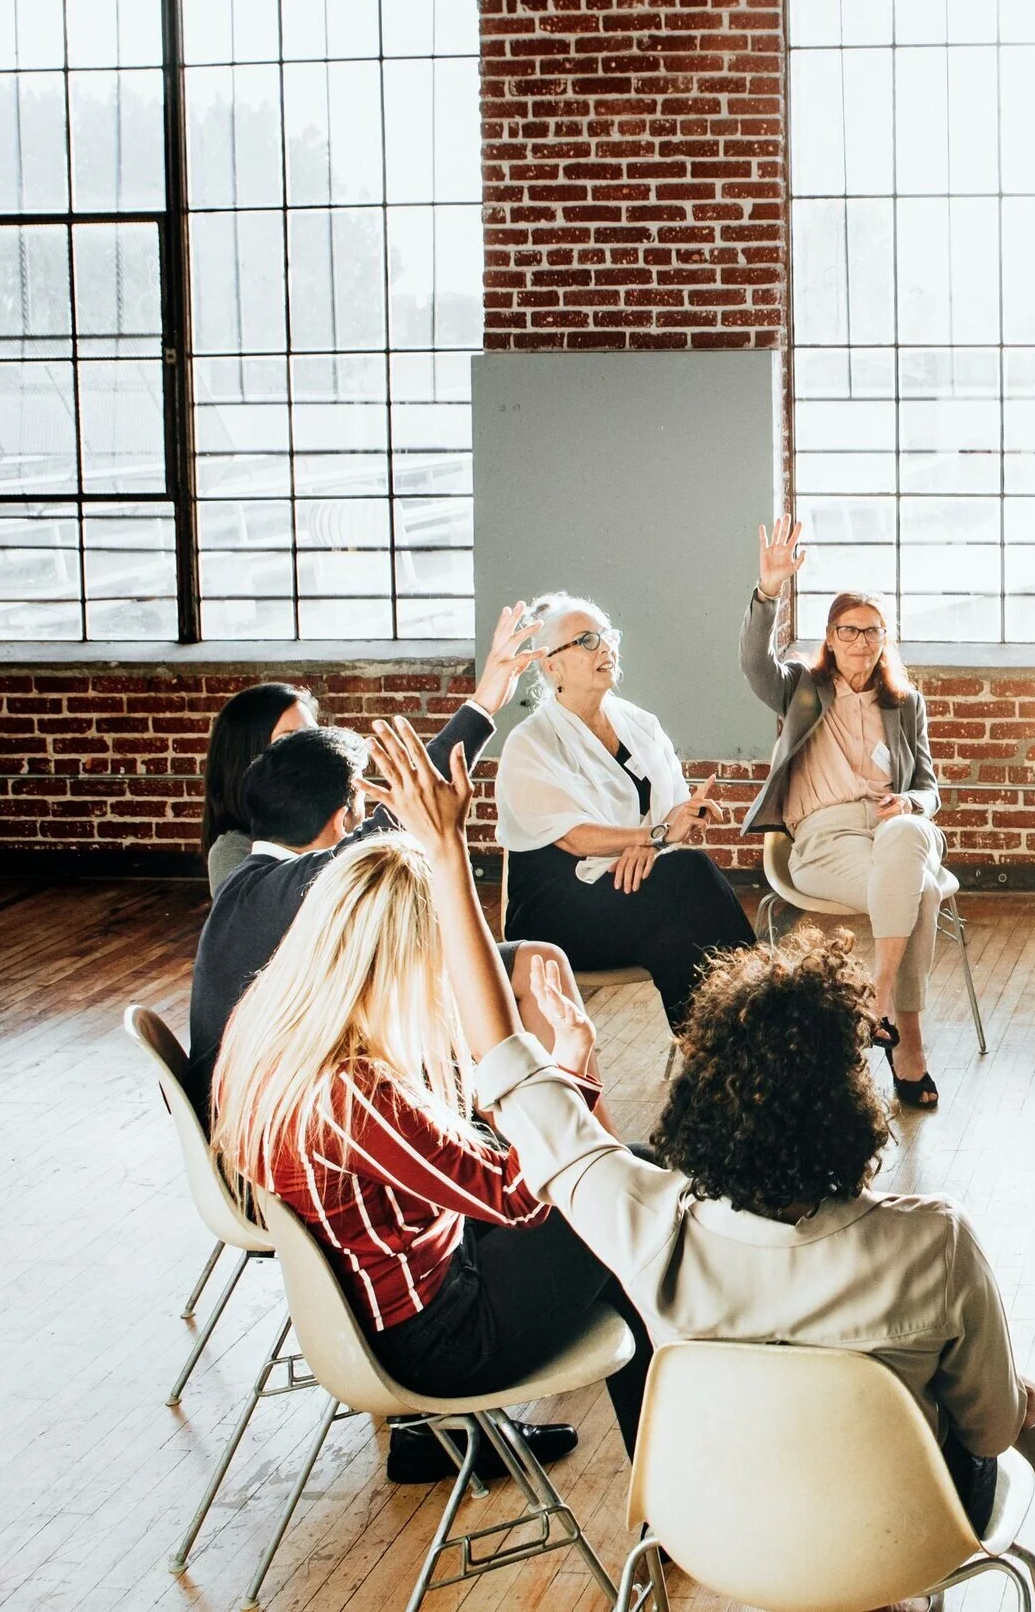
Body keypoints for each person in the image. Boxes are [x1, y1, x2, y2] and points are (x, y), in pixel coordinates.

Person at [362, 716, 1035, 1537]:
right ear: (853, 1107)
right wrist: (1017, 1408)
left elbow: (504, 1063)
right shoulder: (935, 1241)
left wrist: (449, 856)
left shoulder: (644, 1223)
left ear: (703, 1092)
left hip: (719, 1524)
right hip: (897, 1532)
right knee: (990, 1416)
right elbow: (982, 1434)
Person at [208, 731, 654, 1489]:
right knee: (622, 1197)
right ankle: (674, 1482)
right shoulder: (351, 1090)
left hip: (386, 1295)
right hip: (436, 1335)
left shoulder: (273, 1025)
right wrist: (571, 1065)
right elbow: (517, 1195)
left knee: (612, 1207)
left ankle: (668, 1472)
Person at [188, 605, 557, 1123]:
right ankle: (532, 1153)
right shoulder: (248, 867)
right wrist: (440, 827)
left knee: (532, 965)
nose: (308, 748)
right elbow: (380, 831)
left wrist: (486, 700)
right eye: (291, 742)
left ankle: (562, 1144)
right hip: (282, 1114)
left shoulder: (285, 867)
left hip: (322, 1050)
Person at [739, 520, 953, 1108]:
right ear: (830, 638)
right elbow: (754, 662)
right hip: (827, 840)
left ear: (886, 639)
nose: (861, 642)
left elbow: (930, 788)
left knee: (910, 829)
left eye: (873, 632)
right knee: (923, 894)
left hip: (894, 831)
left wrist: (910, 800)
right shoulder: (802, 688)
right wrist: (768, 590)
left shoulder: (905, 704)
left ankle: (878, 998)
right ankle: (908, 1047)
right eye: (848, 631)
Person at [495, 592, 755, 1037]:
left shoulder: (639, 722)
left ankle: (720, 1060)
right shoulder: (531, 742)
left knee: (672, 944)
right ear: (551, 666)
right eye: (587, 641)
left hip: (635, 888)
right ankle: (778, 1006)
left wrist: (669, 829)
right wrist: (652, 838)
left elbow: (674, 812)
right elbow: (575, 838)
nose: (606, 648)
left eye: (608, 636)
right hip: (558, 910)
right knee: (690, 871)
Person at [200, 682, 317, 894]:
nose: (308, 749)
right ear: (250, 755)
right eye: (289, 739)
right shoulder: (233, 851)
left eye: (311, 736)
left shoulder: (329, 820)